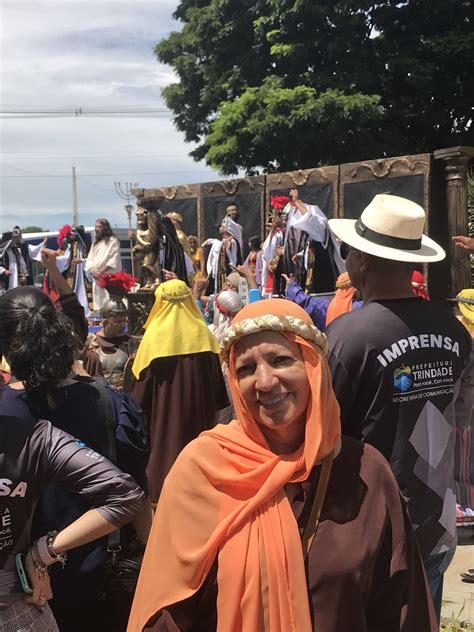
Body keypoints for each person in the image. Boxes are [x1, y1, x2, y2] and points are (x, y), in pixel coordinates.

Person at [127, 298, 437, 632]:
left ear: (313, 366)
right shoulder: (203, 470)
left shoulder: (363, 471)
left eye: (280, 360)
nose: (264, 382)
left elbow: (401, 604)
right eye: (245, 368)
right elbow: (167, 609)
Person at [325, 193, 472, 622]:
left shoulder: (347, 336)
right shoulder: (454, 330)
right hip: (435, 517)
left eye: (349, 250)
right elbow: (461, 415)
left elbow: (323, 433)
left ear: (363, 263)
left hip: (370, 522)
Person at [0, 284, 151, 631]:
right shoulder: (107, 401)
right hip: (101, 571)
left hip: (25, 588)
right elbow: (135, 493)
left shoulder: (4, 414)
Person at [0, 413, 145, 631]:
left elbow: (124, 496)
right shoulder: (35, 439)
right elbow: (125, 496)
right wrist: (42, 554)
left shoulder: (37, 439)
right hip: (16, 612)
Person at [130, 279, 229, 504]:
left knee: (165, 475)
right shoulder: (204, 336)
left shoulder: (153, 340)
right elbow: (217, 393)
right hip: (201, 429)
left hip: (163, 433)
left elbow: (139, 400)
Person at [281, 188, 345, 293]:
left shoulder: (321, 227)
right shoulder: (313, 236)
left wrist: (297, 202)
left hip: (323, 287)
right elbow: (311, 248)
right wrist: (301, 255)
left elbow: (311, 221)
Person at [284, 271, 363, 332]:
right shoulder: (362, 308)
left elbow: (304, 301)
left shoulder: (325, 306)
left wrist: (291, 285)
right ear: (356, 290)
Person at [85, 219, 122, 311]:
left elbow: (113, 258)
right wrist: (93, 270)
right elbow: (89, 259)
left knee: (110, 302)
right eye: (96, 227)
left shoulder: (113, 241)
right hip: (97, 277)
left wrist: (101, 271)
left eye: (99, 227)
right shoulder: (95, 243)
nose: (96, 229)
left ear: (105, 228)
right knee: (99, 304)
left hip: (109, 276)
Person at [0, 227, 45, 291]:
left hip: (17, 279)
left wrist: (26, 274)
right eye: (14, 239)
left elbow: (22, 264)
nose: (15, 241)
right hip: (6, 280)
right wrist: (4, 271)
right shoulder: (2, 252)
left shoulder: (17, 251)